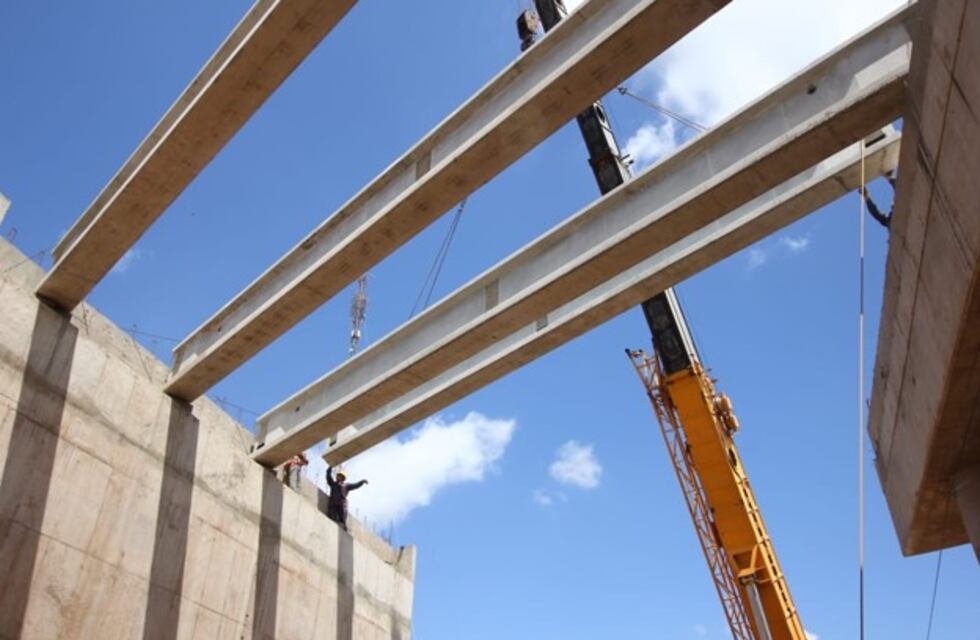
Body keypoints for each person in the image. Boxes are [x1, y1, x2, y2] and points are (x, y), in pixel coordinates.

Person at [326, 466, 368, 532]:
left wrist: (362, 482)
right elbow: (328, 477)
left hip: (341, 503)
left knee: (343, 515)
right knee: (331, 515)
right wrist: (329, 469)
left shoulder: (346, 486)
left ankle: (344, 525)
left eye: (340, 476)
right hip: (333, 503)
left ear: (343, 478)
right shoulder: (333, 484)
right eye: (338, 476)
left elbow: (355, 485)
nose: (338, 477)